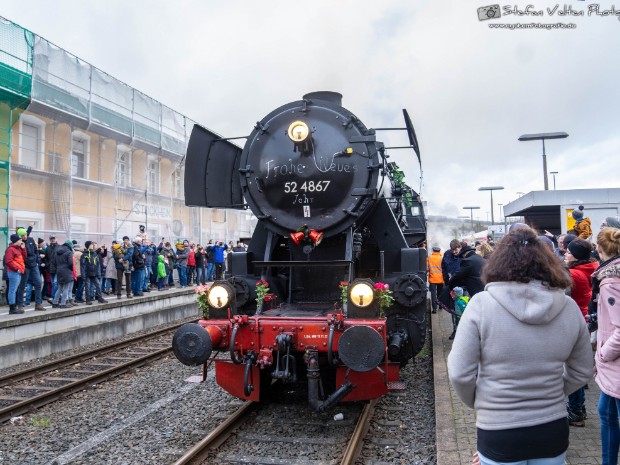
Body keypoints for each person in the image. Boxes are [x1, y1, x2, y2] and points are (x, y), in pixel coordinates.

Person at [447, 226, 592, 465]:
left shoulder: (481, 305)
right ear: (548, 262)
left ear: (497, 262)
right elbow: (583, 370)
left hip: (498, 431)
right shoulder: (568, 308)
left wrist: (483, 402)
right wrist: (552, 395)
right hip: (551, 429)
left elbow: (459, 372)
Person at [591, 227, 620, 465]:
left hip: (614, 361)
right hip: (612, 367)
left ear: (599, 249)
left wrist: (602, 353)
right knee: (605, 412)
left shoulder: (610, 281)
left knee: (609, 415)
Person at [565, 238, 598, 427]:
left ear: (576, 255)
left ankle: (576, 410)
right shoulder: (594, 266)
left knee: (571, 367)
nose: (566, 254)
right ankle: (580, 407)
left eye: (568, 252)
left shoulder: (572, 274)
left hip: (577, 321)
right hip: (589, 319)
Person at [15, 226, 46, 311]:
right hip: (25, 266)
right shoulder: (19, 244)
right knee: (22, 285)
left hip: (34, 265)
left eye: (25, 234)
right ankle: (20, 305)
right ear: (20, 236)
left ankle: (38, 304)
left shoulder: (31, 240)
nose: (24, 236)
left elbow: (36, 251)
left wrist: (37, 260)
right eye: (22, 236)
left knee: (38, 283)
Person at [5, 234, 27, 314]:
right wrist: (16, 269)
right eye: (20, 240)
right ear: (16, 241)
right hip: (14, 272)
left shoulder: (18, 249)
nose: (21, 241)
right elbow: (8, 261)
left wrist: (23, 249)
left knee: (14, 290)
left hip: (18, 271)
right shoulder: (10, 249)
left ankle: (13, 308)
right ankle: (12, 309)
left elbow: (24, 258)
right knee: (12, 290)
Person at [81, 241, 107, 305]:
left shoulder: (95, 254)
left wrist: (98, 274)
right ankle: (88, 299)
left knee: (98, 285)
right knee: (87, 287)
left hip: (94, 273)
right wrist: (83, 275)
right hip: (87, 273)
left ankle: (100, 298)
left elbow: (97, 265)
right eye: (91, 245)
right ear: (87, 246)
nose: (92, 246)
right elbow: (82, 266)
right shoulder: (84, 254)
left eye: (92, 245)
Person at [52, 240, 75, 309]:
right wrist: (70, 269)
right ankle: (63, 303)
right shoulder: (69, 252)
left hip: (59, 270)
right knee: (66, 288)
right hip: (66, 271)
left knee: (60, 288)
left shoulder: (57, 252)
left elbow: (54, 262)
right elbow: (71, 263)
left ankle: (55, 303)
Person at [427, 245, 444, 314]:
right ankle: (440, 305)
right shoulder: (442, 258)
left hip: (433, 279)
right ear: (439, 251)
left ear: (433, 251)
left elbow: (427, 269)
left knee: (433, 294)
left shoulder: (429, 258)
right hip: (441, 279)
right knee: (440, 293)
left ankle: (434, 309)